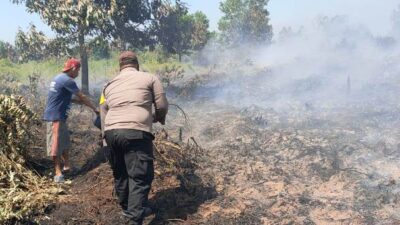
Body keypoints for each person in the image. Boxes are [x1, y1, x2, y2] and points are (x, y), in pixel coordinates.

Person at [100, 51, 168, 225]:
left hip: (111, 132)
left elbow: (103, 109)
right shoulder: (150, 78)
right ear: (137, 65)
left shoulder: (109, 85)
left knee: (121, 174)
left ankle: (128, 210)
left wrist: (104, 137)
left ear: (120, 67)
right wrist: (159, 117)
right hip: (135, 133)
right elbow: (161, 105)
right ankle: (133, 219)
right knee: (140, 177)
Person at [43, 58, 98, 183]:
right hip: (55, 117)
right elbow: (82, 96)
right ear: (73, 68)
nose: (78, 73)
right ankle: (57, 172)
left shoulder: (59, 78)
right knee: (55, 143)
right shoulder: (68, 80)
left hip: (59, 116)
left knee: (65, 141)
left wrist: (78, 102)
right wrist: (95, 109)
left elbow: (61, 96)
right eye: (78, 70)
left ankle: (67, 165)